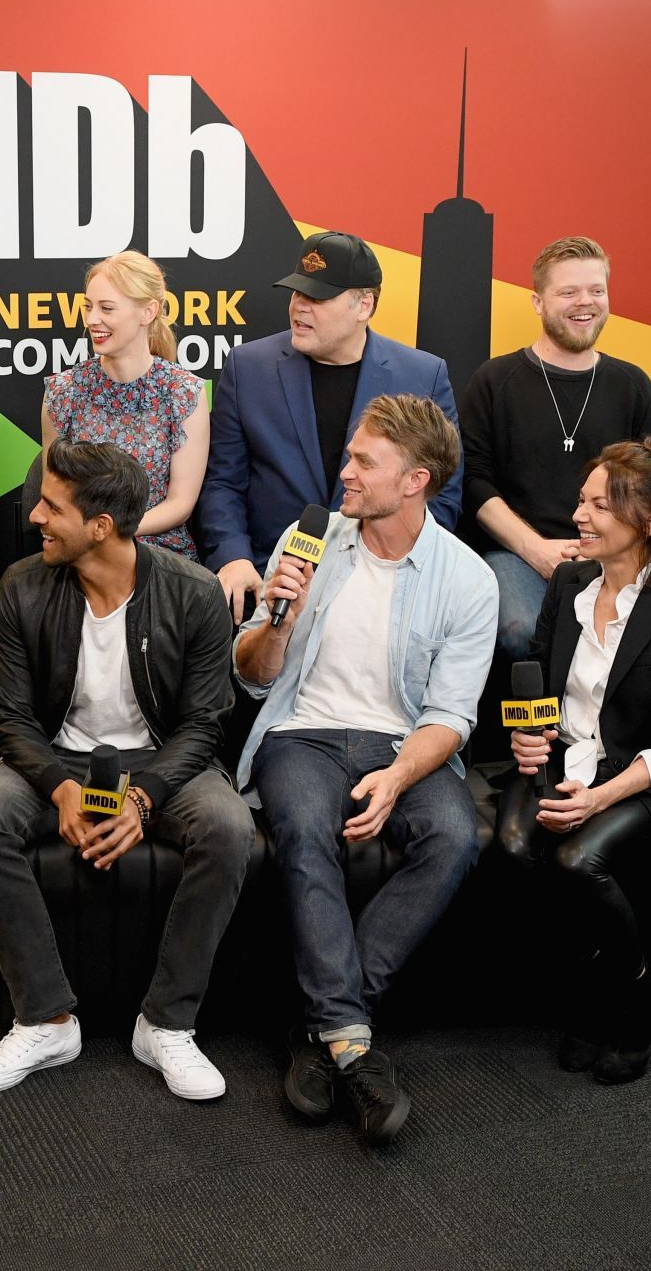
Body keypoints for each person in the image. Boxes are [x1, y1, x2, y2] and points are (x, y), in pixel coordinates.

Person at [233, 393, 496, 1146]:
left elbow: (450, 714)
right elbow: (253, 676)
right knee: (304, 827)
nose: (343, 471)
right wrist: (279, 615)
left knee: (453, 835)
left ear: (415, 480)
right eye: (350, 455)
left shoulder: (467, 579)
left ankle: (327, 1028)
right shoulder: (309, 538)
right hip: (303, 734)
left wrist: (398, 775)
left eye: (363, 462)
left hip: (401, 741)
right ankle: (356, 1043)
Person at [0, 440, 252, 1101]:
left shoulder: (194, 592)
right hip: (55, 757)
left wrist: (142, 800)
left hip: (159, 760)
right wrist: (61, 788)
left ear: (100, 526)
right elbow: (7, 716)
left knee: (230, 827)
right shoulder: (22, 585)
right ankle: (45, 1018)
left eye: (52, 506)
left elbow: (205, 723)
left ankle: (168, 1023)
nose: (34, 515)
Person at [498, 434, 651, 1084]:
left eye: (601, 505)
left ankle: (635, 993)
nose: (580, 516)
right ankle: (593, 984)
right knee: (514, 846)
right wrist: (527, 737)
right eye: (582, 499)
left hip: (642, 779)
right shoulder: (569, 580)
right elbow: (536, 678)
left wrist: (598, 797)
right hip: (563, 758)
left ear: (649, 524)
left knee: (578, 856)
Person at [197, 231, 463, 614]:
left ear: (364, 304)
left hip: (385, 585)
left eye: (318, 297)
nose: (300, 307)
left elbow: (442, 493)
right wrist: (233, 557)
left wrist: (390, 566)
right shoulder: (248, 368)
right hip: (269, 578)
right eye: (297, 293)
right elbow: (223, 482)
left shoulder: (423, 376)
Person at [458, 237, 651, 659]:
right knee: (522, 631)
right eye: (568, 292)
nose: (584, 303)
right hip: (515, 553)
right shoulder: (494, 380)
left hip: (612, 554)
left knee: (643, 637)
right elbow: (473, 481)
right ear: (537, 302)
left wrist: (604, 550)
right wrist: (534, 548)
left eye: (596, 290)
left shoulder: (633, 385)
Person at [40, 251, 208, 558]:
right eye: (89, 307)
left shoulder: (183, 393)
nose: (92, 320)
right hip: (81, 551)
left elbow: (180, 504)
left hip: (159, 554)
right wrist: (91, 535)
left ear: (148, 312)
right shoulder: (63, 392)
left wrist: (112, 531)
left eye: (106, 308)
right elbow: (53, 495)